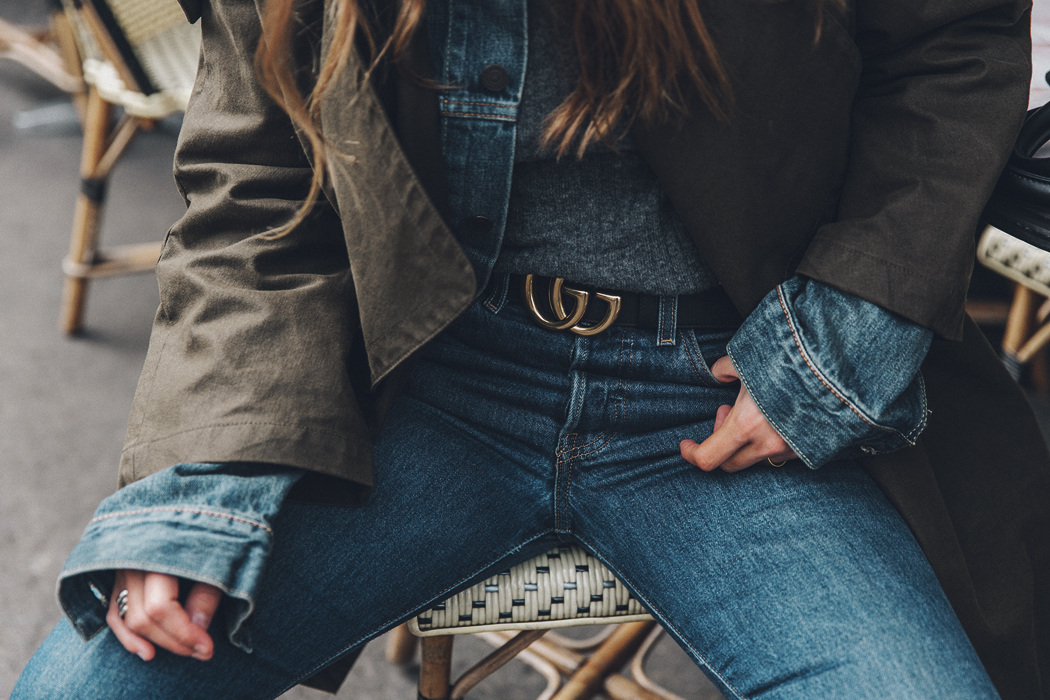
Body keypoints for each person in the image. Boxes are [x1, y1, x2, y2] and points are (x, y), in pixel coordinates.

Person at [12, 0, 1050, 697]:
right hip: (425, 382)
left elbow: (953, 48)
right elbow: (260, 187)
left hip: (730, 397)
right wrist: (197, 486)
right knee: (96, 681)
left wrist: (838, 341)